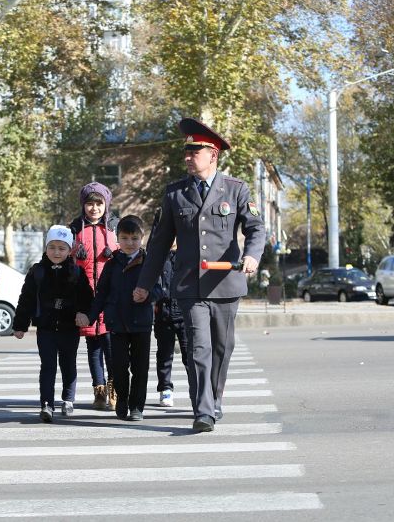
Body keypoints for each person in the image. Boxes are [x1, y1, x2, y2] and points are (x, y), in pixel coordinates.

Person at [133, 118, 266, 433]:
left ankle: (214, 398)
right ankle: (203, 410)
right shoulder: (175, 193)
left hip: (226, 283)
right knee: (198, 348)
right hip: (189, 285)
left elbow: (256, 227)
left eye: (195, 151)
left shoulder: (236, 189)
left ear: (213, 155)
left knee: (222, 348)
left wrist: (252, 255)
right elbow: (159, 243)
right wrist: (144, 284)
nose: (188, 157)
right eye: (187, 151)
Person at [12, 225, 94, 423]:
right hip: (46, 328)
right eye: (52, 247)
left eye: (62, 248)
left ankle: (68, 399)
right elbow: (27, 299)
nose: (56, 252)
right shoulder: (37, 272)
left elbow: (88, 298)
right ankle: (46, 404)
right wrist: (20, 324)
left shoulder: (77, 272)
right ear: (46, 247)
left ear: (69, 250)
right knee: (47, 366)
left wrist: (84, 314)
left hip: (69, 327)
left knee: (68, 364)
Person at [80, 215, 154, 421]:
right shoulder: (112, 264)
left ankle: (137, 406)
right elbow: (101, 294)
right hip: (117, 324)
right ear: (117, 239)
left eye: (134, 238)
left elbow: (161, 288)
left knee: (140, 368)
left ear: (142, 238)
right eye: (124, 238)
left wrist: (149, 295)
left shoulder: (149, 263)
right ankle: (122, 400)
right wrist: (91, 317)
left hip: (142, 324)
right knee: (119, 368)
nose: (129, 243)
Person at [69, 182, 119, 411]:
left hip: (110, 298)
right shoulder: (74, 229)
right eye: (90, 203)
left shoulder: (115, 227)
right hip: (86, 299)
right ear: (83, 205)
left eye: (99, 203)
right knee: (93, 349)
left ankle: (114, 389)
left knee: (112, 348)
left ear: (106, 204)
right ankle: (98, 391)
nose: (94, 208)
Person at [152, 240, 188, 407]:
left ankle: (196, 388)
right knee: (164, 355)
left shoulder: (188, 253)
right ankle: (165, 388)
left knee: (191, 356)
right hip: (163, 314)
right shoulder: (157, 255)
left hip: (185, 314)